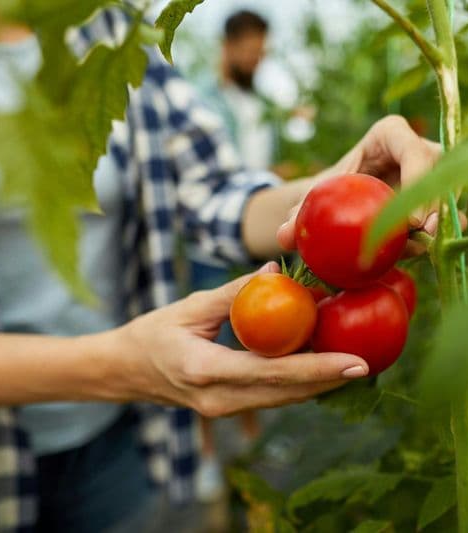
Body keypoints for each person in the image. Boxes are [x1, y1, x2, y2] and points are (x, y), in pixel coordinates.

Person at [0, 3, 443, 532]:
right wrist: (121, 366)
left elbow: (211, 191)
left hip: (117, 444)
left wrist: (339, 190)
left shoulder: (108, 25)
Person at [188, 9, 274, 503]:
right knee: (209, 349)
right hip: (210, 244)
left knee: (255, 340)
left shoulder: (256, 105)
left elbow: (256, 170)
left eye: (263, 51)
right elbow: (209, 182)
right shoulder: (200, 101)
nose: (258, 59)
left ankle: (248, 438)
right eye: (252, 50)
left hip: (253, 239)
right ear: (230, 46)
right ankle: (205, 457)